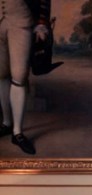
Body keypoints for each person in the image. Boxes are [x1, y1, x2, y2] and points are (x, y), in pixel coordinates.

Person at [0, 0, 52, 155]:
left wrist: (42, 23)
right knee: (1, 75)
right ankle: (6, 123)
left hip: (21, 22)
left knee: (19, 77)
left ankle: (17, 133)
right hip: (1, 23)